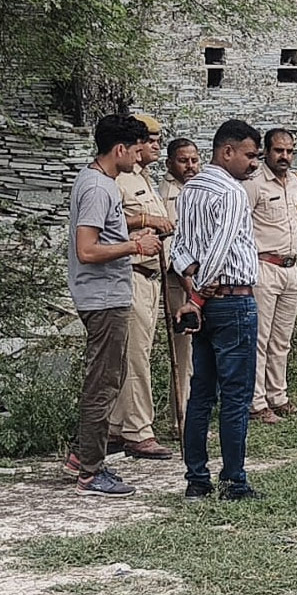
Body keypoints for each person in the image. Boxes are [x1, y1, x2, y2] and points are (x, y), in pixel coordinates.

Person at [66, 114, 162, 496]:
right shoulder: (98, 188)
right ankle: (90, 471)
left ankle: (81, 455)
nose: (139, 160)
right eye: (136, 152)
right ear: (119, 149)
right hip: (103, 298)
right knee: (102, 382)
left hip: (108, 293)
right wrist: (136, 246)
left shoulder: (99, 183)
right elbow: (87, 249)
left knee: (108, 377)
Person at [171, 119, 263, 501]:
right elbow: (220, 248)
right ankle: (234, 481)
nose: (254, 163)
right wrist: (201, 292)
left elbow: (179, 248)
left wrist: (190, 279)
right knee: (236, 396)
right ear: (227, 151)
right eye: (250, 155)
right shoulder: (231, 193)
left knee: (201, 394)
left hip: (205, 302)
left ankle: (197, 479)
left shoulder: (190, 189)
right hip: (231, 300)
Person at [108, 114, 176, 460]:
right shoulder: (116, 180)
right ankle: (138, 430)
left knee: (139, 353)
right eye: (148, 140)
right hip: (130, 271)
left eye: (157, 140)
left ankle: (118, 426)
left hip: (151, 275)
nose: (153, 146)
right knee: (134, 357)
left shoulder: (146, 180)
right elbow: (108, 221)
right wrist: (147, 220)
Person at [243, 128, 297, 425]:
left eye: (289, 151)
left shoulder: (294, 182)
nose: (285, 157)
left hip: (289, 267)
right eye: (279, 151)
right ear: (266, 152)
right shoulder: (254, 183)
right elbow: (241, 225)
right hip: (263, 266)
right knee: (260, 337)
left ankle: (277, 395)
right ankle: (255, 403)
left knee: (282, 339)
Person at [161, 137, 201, 422]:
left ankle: (196, 411)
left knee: (198, 352)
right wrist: (192, 290)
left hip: (199, 280)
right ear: (170, 163)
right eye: (183, 160)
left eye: (194, 160)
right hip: (181, 283)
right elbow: (174, 248)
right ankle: (182, 417)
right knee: (183, 352)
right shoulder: (169, 195)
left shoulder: (195, 190)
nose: (190, 166)